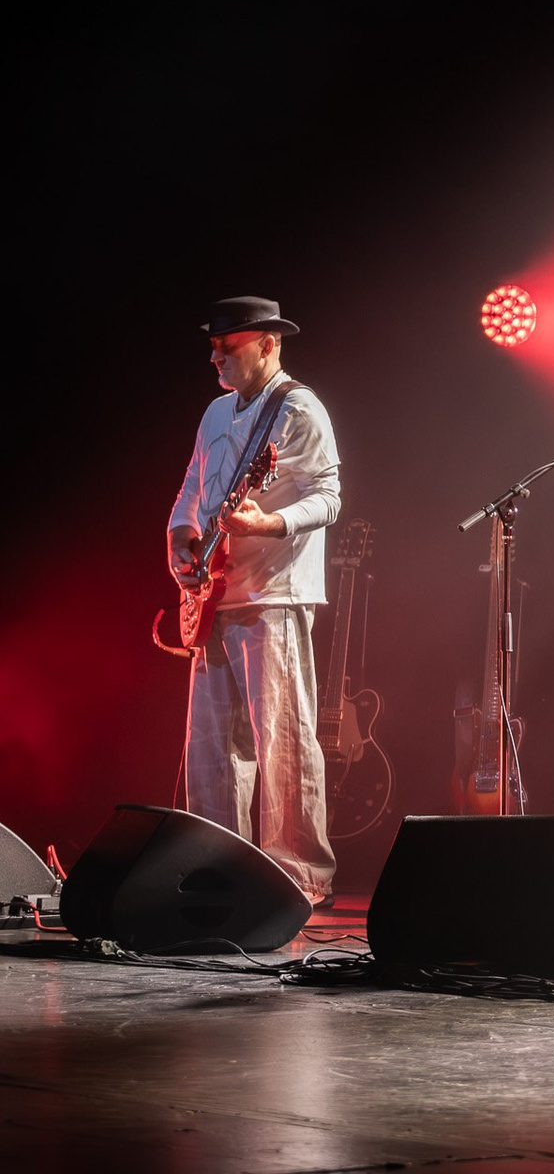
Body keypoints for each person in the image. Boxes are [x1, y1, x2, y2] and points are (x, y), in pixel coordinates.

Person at [168, 296, 341, 908]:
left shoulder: (299, 407)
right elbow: (192, 488)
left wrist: (268, 524)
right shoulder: (216, 411)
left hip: (275, 595)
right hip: (214, 594)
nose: (215, 357)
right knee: (212, 748)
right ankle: (217, 870)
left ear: (268, 344)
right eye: (213, 346)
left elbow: (329, 497)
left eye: (228, 347)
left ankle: (301, 878)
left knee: (283, 740)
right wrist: (181, 539)